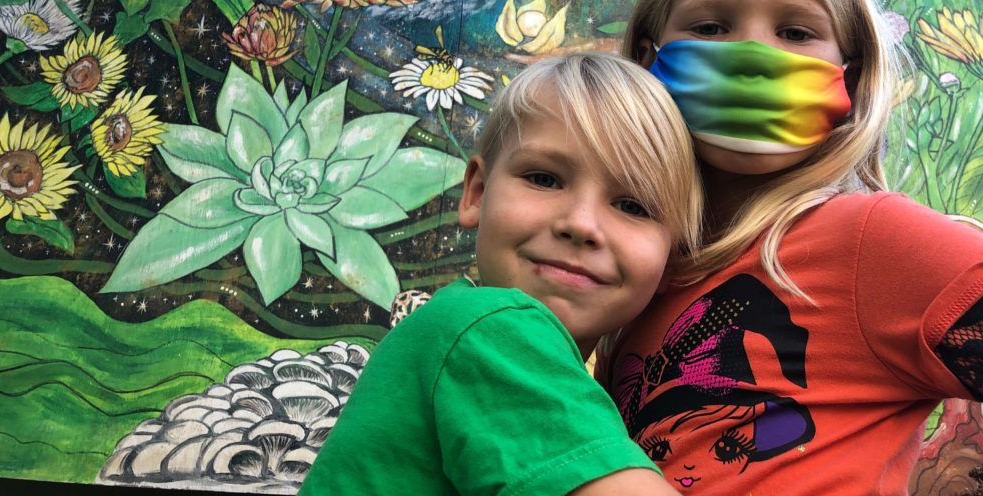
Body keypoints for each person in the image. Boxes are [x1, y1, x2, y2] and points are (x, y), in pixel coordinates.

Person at [599, 0, 983, 494]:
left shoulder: (872, 240)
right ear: (648, 57)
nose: (754, 58)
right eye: (711, 27)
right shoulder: (644, 273)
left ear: (848, 73)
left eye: (795, 33)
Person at [299, 51, 704, 495]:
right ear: (476, 192)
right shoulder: (490, 331)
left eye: (633, 206)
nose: (581, 224)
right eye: (544, 179)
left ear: (674, 259)